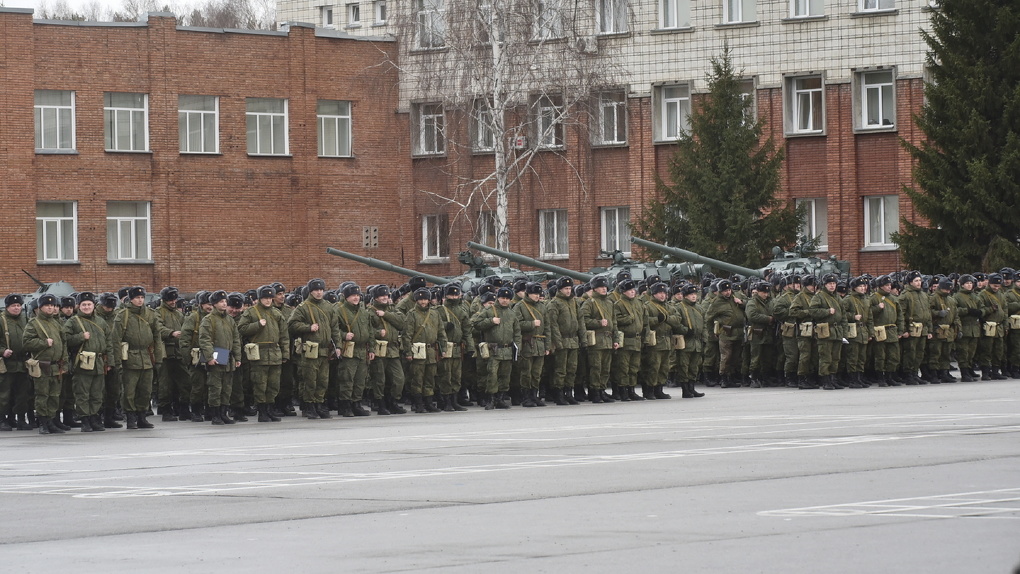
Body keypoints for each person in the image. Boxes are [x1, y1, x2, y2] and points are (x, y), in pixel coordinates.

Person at [289, 279, 342, 419]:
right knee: (310, 380)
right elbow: (292, 325)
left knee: (323, 380)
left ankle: (319, 404)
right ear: (311, 291)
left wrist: (338, 346)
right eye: (316, 290)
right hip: (310, 350)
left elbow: (335, 329)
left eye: (321, 290)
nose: (319, 292)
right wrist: (307, 328)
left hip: (325, 350)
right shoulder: (303, 307)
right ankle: (309, 406)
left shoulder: (328, 307)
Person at [111, 286, 163, 429]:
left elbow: (157, 337)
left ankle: (142, 417)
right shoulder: (123, 315)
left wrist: (158, 358)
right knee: (129, 391)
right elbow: (115, 340)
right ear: (131, 299)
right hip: (129, 357)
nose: (140, 300)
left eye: (141, 298)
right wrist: (117, 362)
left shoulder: (151, 314)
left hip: (147, 357)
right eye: (137, 298)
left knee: (145, 390)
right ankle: (130, 418)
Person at [237, 285, 290, 422]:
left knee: (273, 384)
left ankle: (270, 409)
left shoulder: (277, 314)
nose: (267, 301)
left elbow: (284, 335)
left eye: (269, 298)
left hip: (275, 353)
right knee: (260, 384)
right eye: (265, 298)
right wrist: (257, 325)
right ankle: (262, 411)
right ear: (260, 298)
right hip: (259, 354)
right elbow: (241, 329)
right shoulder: (251, 312)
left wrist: (285, 354)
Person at [63, 292, 114, 432]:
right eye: (84, 305)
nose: (86, 307)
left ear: (94, 305)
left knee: (97, 393)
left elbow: (109, 342)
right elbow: (65, 339)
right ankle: (85, 419)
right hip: (82, 362)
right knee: (82, 393)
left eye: (89, 304)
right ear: (78, 306)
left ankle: (94, 418)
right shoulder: (73, 321)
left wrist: (110, 361)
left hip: (98, 362)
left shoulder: (101, 322)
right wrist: (80, 337)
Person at [22, 294, 69, 434]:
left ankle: (51, 420)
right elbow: (26, 343)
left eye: (52, 305)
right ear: (40, 307)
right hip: (42, 365)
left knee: (54, 395)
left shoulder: (56, 323)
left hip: (56, 365)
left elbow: (63, 344)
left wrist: (64, 362)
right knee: (42, 395)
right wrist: (43, 343)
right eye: (47, 305)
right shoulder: (33, 324)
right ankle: (43, 422)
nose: (50, 308)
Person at [471, 287, 520, 410]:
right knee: (492, 374)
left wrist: (517, 347)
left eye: (507, 298)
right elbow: (476, 324)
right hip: (494, 349)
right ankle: (491, 399)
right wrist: (490, 321)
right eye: (503, 298)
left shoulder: (512, 314)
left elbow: (517, 332)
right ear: (498, 298)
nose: (505, 301)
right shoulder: (489, 310)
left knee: (505, 375)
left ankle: (500, 398)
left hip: (507, 349)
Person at [199, 290, 243, 425]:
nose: (224, 304)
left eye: (225, 301)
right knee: (215, 387)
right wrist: (209, 357)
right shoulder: (208, 320)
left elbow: (236, 339)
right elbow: (204, 340)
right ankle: (215, 415)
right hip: (216, 355)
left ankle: (224, 413)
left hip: (228, 357)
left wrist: (237, 357)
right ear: (214, 304)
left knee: (227, 387)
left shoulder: (230, 320)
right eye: (220, 302)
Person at [334, 283, 377, 417]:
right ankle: (345, 405)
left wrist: (372, 348)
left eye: (358, 295)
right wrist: (343, 336)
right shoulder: (339, 310)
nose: (356, 298)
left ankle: (356, 403)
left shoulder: (364, 312)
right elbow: (334, 329)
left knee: (360, 379)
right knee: (347, 378)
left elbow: (370, 331)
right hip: (349, 349)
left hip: (362, 349)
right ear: (346, 297)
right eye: (353, 295)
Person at [405, 287, 448, 413]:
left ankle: (429, 402)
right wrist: (408, 352)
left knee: (430, 377)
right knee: (417, 378)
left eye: (425, 299)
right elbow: (407, 335)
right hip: (418, 350)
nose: (423, 302)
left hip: (431, 350)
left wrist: (443, 348)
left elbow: (441, 332)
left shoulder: (435, 314)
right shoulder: (412, 314)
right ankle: (418, 404)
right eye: (420, 299)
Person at [367, 285, 406, 414]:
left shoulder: (392, 309)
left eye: (387, 295)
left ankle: (393, 401)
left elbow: (402, 322)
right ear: (376, 297)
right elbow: (367, 330)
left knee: (398, 378)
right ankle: (380, 404)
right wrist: (378, 333)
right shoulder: (369, 311)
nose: (385, 298)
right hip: (379, 349)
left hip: (393, 349)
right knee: (379, 379)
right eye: (382, 296)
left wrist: (386, 314)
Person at [580, 276, 618, 403]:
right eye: (601, 287)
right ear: (594, 289)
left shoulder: (609, 303)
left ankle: (602, 389)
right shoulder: (589, 303)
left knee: (605, 368)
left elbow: (614, 323)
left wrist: (616, 339)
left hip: (608, 339)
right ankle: (595, 391)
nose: (604, 289)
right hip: (596, 340)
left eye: (605, 286)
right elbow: (583, 320)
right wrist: (598, 323)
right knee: (596, 367)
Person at [546, 277, 583, 405]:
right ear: (560, 289)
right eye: (565, 289)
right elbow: (553, 325)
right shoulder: (554, 304)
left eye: (569, 288)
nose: (568, 291)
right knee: (560, 369)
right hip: (562, 339)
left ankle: (569, 392)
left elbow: (580, 321)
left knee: (572, 368)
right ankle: (559, 394)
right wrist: (558, 342)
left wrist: (582, 339)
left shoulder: (574, 302)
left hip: (573, 340)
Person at [809, 274, 848, 390]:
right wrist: (826, 312)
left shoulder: (837, 297)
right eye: (829, 284)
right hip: (825, 330)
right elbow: (812, 311)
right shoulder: (819, 296)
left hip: (837, 330)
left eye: (834, 284)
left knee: (835, 357)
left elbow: (843, 316)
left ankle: (833, 378)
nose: (832, 286)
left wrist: (844, 332)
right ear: (825, 285)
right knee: (825, 357)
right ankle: (825, 380)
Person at [437, 283, 472, 411]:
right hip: (445, 347)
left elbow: (467, 330)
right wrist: (446, 325)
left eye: (456, 294)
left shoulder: (462, 311)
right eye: (451, 294)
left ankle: (454, 400)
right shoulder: (439, 310)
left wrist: (470, 347)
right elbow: (435, 327)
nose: (454, 297)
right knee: (446, 374)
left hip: (458, 347)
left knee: (456, 376)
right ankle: (446, 401)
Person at [155, 286, 189, 421]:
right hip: (165, 354)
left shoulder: (178, 314)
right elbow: (158, 328)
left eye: (174, 299)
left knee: (185, 382)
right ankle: (166, 410)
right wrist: (171, 333)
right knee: (165, 384)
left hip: (179, 352)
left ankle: (183, 408)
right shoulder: (158, 312)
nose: (173, 302)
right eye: (170, 299)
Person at [514, 282, 548, 408]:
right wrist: (531, 324)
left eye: (538, 294)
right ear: (528, 294)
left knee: (537, 372)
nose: (537, 296)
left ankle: (534, 395)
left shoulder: (542, 307)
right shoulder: (520, 306)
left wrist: (548, 345)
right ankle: (526, 396)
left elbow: (547, 327)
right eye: (534, 294)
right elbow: (516, 324)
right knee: (526, 372)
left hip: (540, 343)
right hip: (527, 343)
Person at [1, 294, 32, 431]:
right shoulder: (2, 321)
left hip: (23, 363)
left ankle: (20, 419)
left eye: (18, 305)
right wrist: (2, 351)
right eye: (13, 306)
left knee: (22, 394)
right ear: (7, 307)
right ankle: (3, 419)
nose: (16, 308)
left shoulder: (26, 320)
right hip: (7, 364)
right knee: (4, 394)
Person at [707, 279, 745, 389]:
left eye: (729, 290)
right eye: (725, 291)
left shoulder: (734, 298)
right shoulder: (717, 302)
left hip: (738, 332)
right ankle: (723, 377)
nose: (727, 292)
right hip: (726, 332)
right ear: (720, 291)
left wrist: (741, 303)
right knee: (726, 357)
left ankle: (731, 377)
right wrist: (711, 333)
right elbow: (709, 318)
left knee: (735, 357)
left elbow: (746, 306)